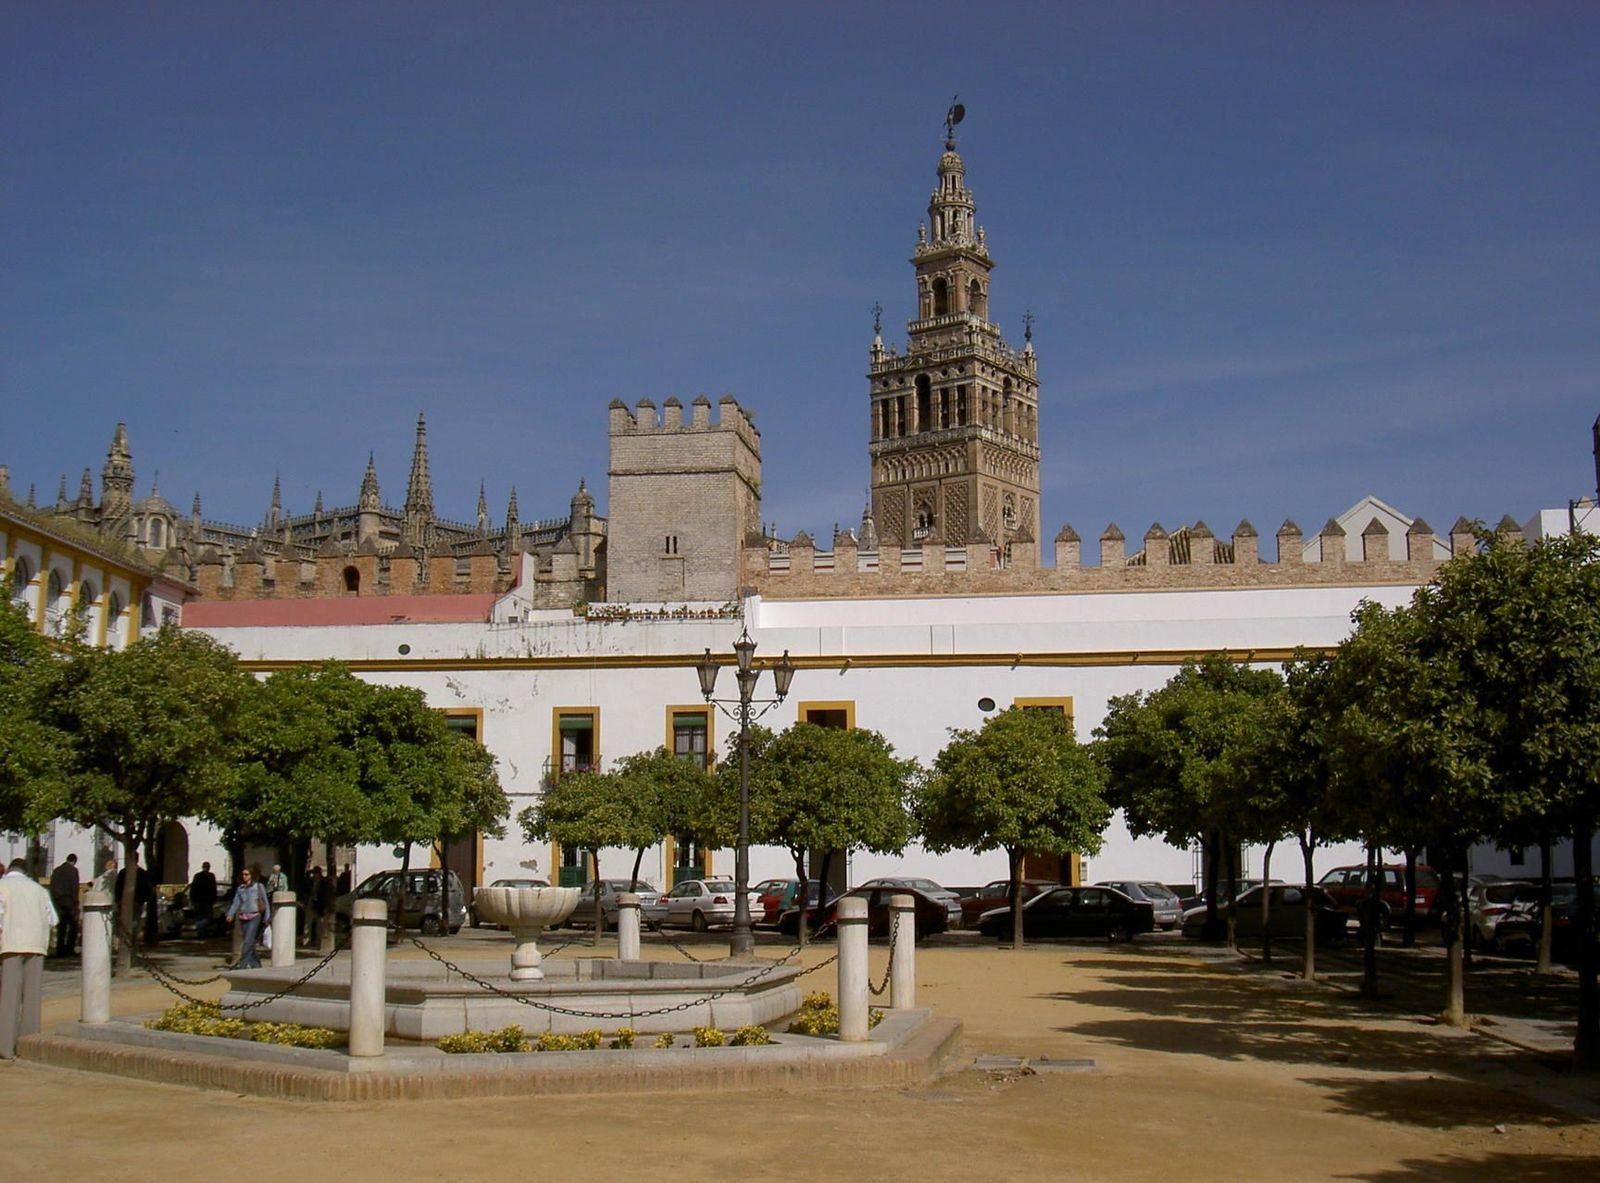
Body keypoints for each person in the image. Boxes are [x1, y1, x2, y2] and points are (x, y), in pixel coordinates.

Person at [0, 857, 58, 1058]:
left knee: (9, 995)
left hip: (10, 943)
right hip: (36, 944)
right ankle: (29, 1045)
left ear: (9, 869)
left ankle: (5, 1047)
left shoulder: (2, 886)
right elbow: (53, 919)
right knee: (32, 997)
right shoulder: (39, 890)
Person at [224, 867, 270, 969]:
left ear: (251, 875)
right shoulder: (240, 888)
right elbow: (236, 902)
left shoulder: (259, 886)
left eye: (246, 874)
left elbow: (265, 901)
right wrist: (230, 914)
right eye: (243, 874)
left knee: (247, 942)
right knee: (250, 943)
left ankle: (242, 965)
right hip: (243, 917)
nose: (244, 876)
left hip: (255, 916)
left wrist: (267, 916)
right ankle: (256, 965)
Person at [48, 853, 80, 958]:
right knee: (73, 925)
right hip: (69, 901)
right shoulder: (73, 871)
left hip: (57, 901)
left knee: (61, 926)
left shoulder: (56, 870)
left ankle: (60, 949)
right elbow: (74, 887)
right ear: (74, 861)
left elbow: (52, 885)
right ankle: (69, 949)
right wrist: (75, 902)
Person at [188, 861, 218, 938]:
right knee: (207, 916)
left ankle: (200, 931)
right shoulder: (211, 876)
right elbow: (213, 889)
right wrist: (214, 899)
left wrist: (192, 899)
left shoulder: (197, 876)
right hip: (207, 900)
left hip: (198, 900)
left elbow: (193, 888)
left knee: (199, 916)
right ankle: (204, 931)